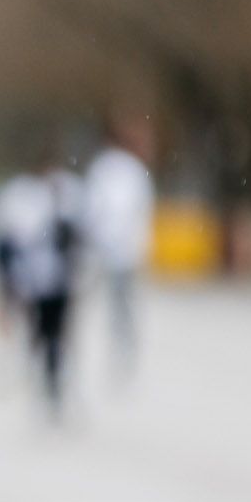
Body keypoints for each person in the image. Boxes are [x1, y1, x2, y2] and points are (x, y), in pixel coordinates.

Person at [0, 141, 83, 422]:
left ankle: (54, 382)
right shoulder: (20, 196)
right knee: (39, 330)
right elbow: (7, 241)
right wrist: (7, 279)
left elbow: (78, 237)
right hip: (32, 279)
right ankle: (38, 374)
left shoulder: (68, 194)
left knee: (57, 332)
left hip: (60, 278)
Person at [82, 112, 157, 381]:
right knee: (122, 303)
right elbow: (142, 211)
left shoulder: (104, 169)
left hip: (109, 248)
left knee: (112, 303)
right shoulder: (133, 170)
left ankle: (117, 351)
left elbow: (93, 209)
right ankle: (123, 349)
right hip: (125, 249)